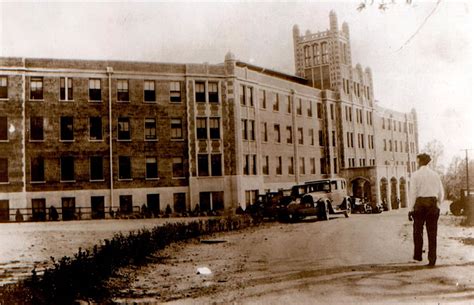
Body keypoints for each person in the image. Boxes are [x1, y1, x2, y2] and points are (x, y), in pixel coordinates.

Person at [408, 153, 444, 267]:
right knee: (432, 233)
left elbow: (413, 193)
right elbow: (441, 193)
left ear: (419, 161)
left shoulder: (415, 175)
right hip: (433, 204)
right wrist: (438, 203)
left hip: (420, 204)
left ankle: (418, 255)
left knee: (417, 231)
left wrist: (410, 209)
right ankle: (432, 259)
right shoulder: (435, 175)